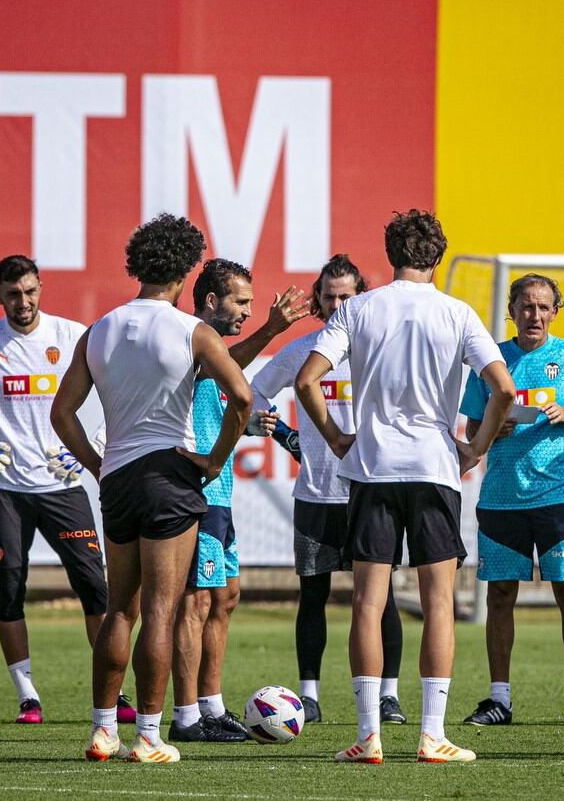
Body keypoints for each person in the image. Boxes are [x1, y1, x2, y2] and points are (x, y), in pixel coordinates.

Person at [296, 209, 515, 765]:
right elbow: (505, 392)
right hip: (434, 468)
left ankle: (368, 736)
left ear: (390, 254)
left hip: (371, 469)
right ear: (437, 257)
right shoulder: (457, 313)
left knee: (368, 603)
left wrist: (336, 436)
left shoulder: (361, 309)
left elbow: (305, 381)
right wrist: (476, 448)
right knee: (439, 603)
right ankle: (431, 735)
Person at [52, 213, 251, 765]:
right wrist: (213, 460)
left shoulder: (101, 329)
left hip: (117, 478)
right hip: (171, 475)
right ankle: (148, 736)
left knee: (120, 608)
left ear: (137, 264)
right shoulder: (193, 331)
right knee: (162, 610)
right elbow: (242, 398)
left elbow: (62, 414)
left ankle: (100, 731)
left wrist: (97, 464)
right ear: (187, 272)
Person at [250, 255, 408, 726]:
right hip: (316, 494)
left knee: (382, 600)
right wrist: (285, 437)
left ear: (362, 296)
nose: (339, 303)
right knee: (312, 596)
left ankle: (388, 696)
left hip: (371, 492)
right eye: (330, 295)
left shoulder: (381, 348)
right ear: (317, 301)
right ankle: (309, 696)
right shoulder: (303, 351)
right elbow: (254, 392)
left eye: (347, 295)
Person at [0, 254, 115, 726]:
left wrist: (92, 447)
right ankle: (27, 696)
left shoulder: (71, 337)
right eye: (11, 294)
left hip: (62, 485)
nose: (21, 302)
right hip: (3, 487)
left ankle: (116, 689)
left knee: (96, 589)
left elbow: (119, 394)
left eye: (29, 291)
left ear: (41, 287)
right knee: (9, 591)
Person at [457, 273, 564, 729]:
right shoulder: (493, 359)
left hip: (558, 496)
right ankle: (499, 699)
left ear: (555, 311)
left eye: (543, 307)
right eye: (526, 306)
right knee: (500, 595)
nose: (535, 315)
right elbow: (470, 431)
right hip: (502, 498)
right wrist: (492, 429)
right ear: (512, 311)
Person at [169, 259, 305, 743]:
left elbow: (210, 399)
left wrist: (244, 425)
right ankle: (185, 718)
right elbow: (216, 371)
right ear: (211, 301)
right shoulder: (190, 337)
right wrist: (271, 328)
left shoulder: (213, 348)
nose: (248, 310)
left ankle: (212, 705)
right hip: (194, 491)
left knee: (224, 598)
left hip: (220, 491)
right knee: (195, 601)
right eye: (241, 301)